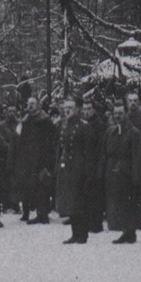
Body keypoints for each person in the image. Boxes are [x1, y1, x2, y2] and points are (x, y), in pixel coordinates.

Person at [100, 101, 141, 244]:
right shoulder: (111, 132)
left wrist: (136, 177)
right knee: (117, 203)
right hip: (112, 173)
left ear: (126, 114)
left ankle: (130, 231)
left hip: (127, 173)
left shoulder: (134, 133)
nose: (118, 116)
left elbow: (138, 157)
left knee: (128, 204)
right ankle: (123, 229)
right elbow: (105, 153)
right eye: (115, 113)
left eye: (120, 113)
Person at [55, 97, 95, 244]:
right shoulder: (64, 126)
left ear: (78, 109)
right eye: (65, 108)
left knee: (79, 201)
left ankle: (82, 234)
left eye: (70, 108)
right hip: (68, 168)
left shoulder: (84, 127)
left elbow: (89, 152)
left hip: (79, 167)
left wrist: (88, 171)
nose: (67, 110)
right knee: (71, 201)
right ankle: (75, 233)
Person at [16, 96, 58, 224]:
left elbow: (52, 140)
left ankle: (43, 214)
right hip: (28, 158)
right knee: (32, 185)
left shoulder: (45, 121)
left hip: (42, 157)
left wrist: (47, 158)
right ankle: (33, 213)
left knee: (42, 186)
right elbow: (21, 140)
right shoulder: (26, 121)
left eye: (33, 103)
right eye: (28, 103)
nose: (30, 106)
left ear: (39, 105)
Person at [81, 100, 106, 233]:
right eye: (84, 109)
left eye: (89, 109)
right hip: (86, 162)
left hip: (95, 162)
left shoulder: (98, 125)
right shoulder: (84, 124)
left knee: (95, 194)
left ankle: (96, 223)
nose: (86, 112)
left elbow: (100, 146)